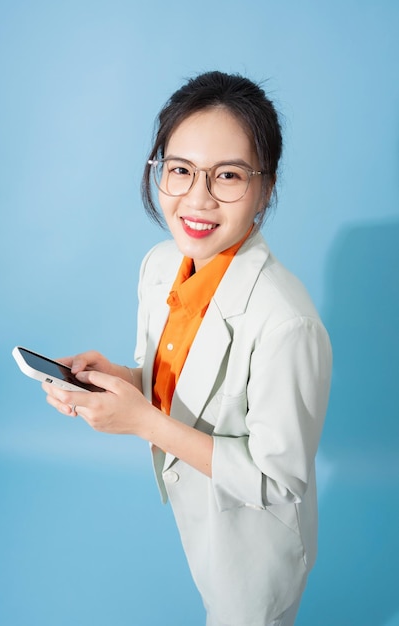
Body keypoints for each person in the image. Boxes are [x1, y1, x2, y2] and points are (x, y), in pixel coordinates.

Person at [42, 70, 332, 626]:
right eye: (179, 170)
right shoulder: (159, 266)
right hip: (196, 508)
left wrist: (142, 423)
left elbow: (276, 483)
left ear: (266, 188)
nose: (197, 199)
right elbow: (180, 379)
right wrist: (123, 380)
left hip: (253, 540)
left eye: (227, 175)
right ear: (158, 172)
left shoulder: (288, 324)